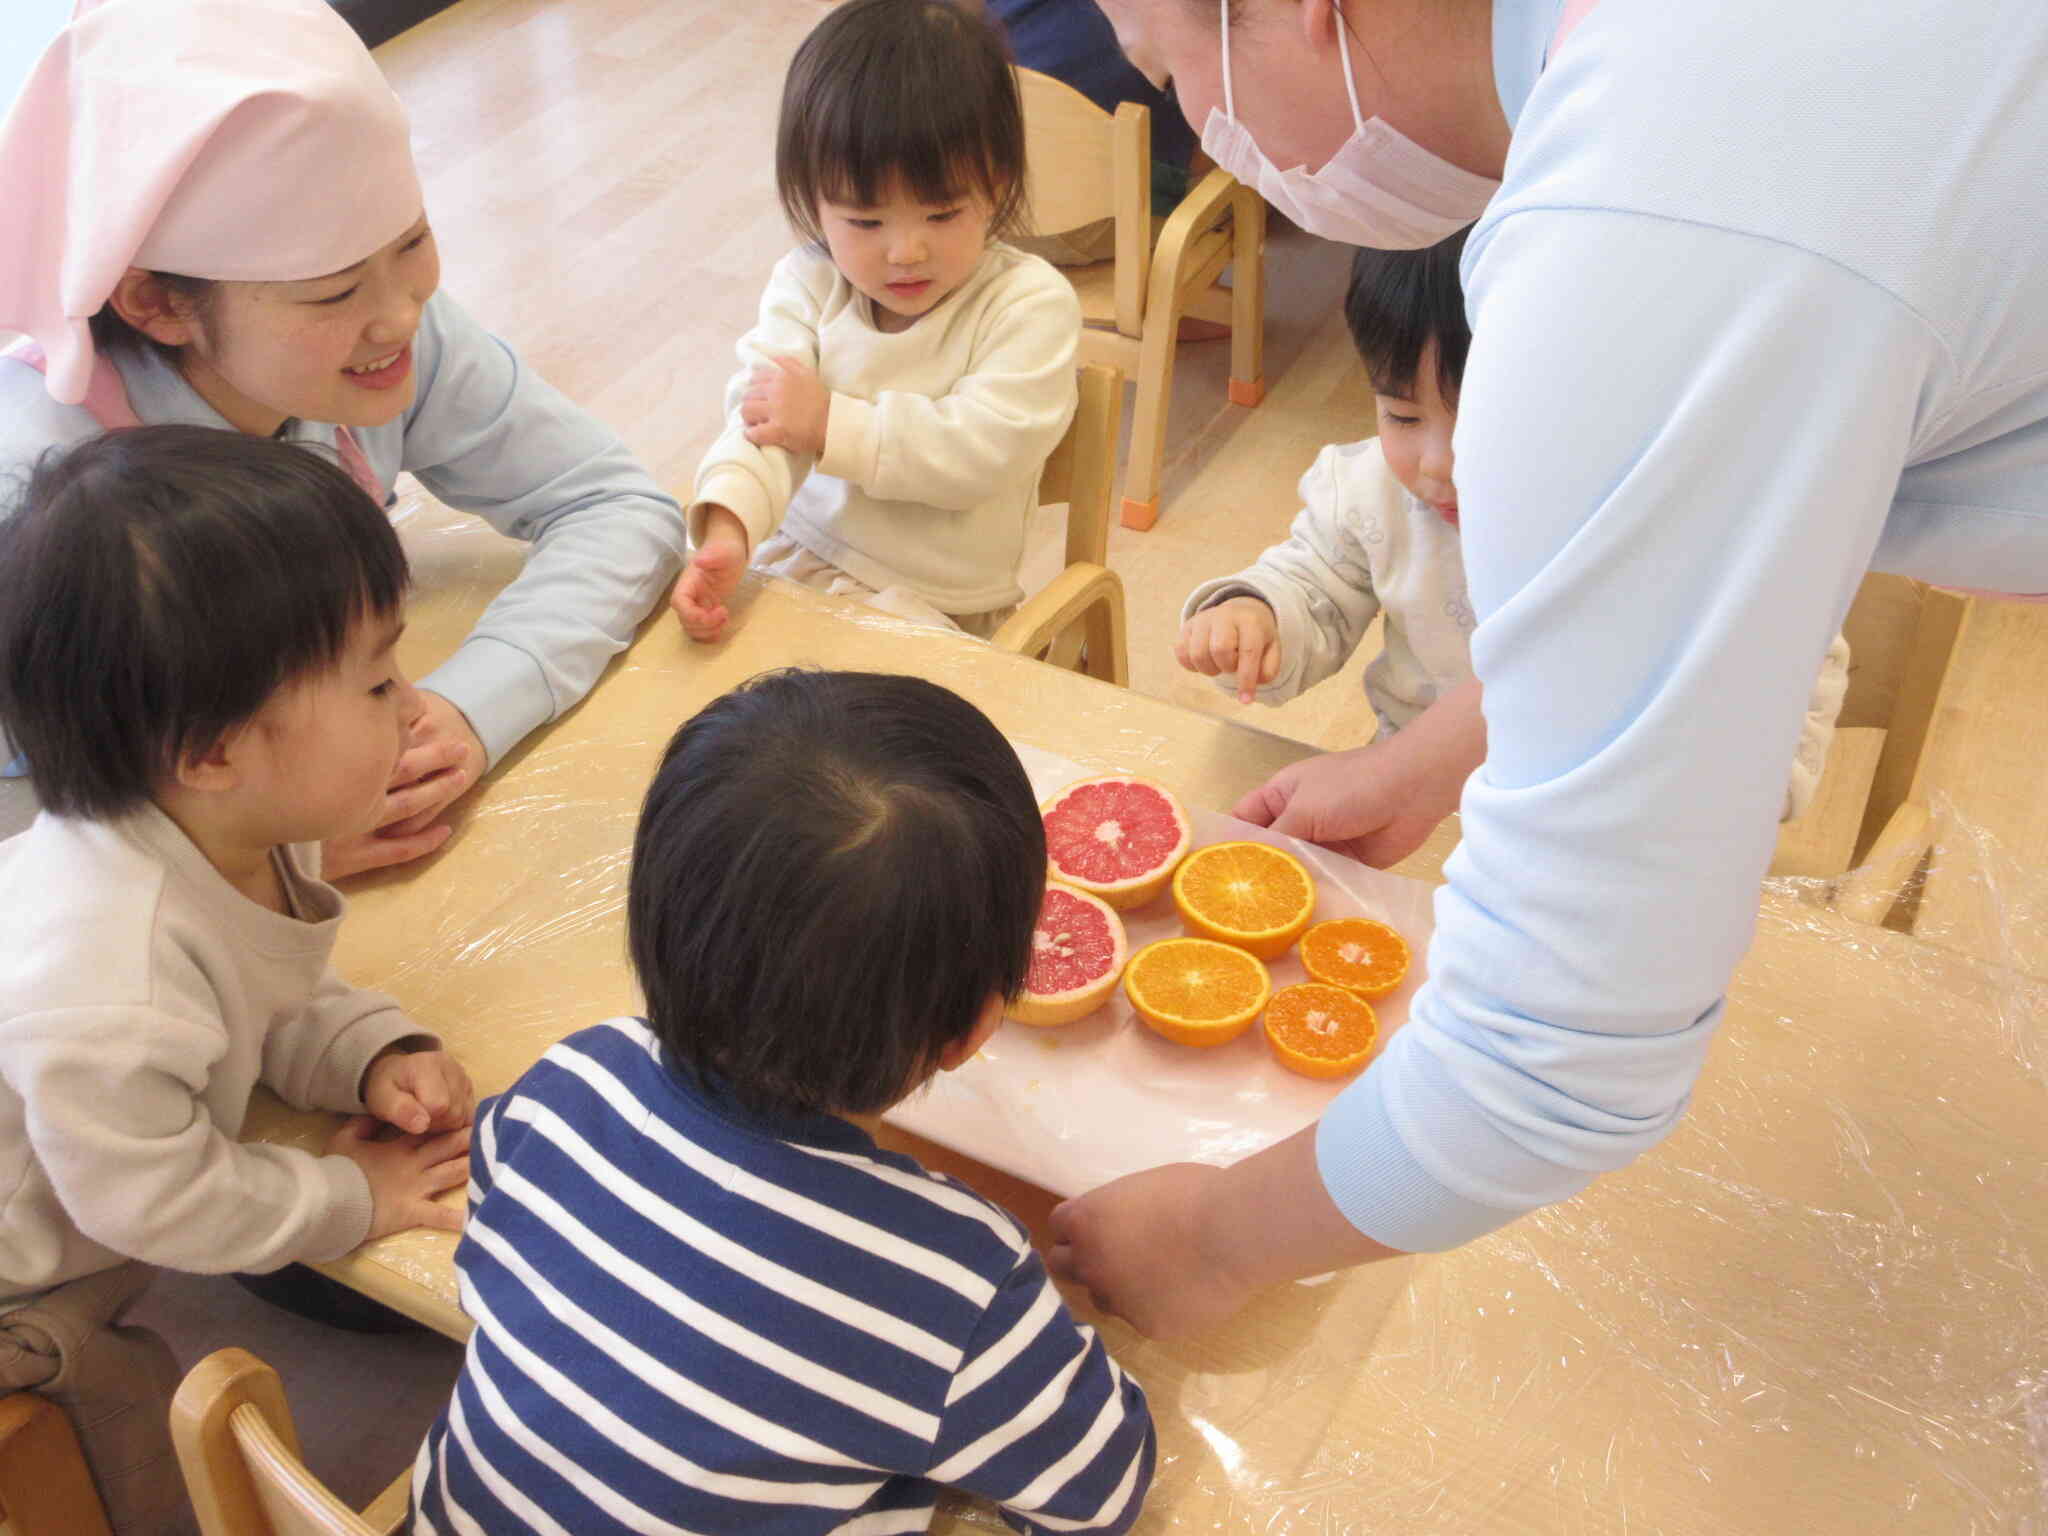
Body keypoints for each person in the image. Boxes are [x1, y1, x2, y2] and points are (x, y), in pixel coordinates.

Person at [1047, 0, 2048, 1338]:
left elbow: (1559, 1060)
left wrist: (1212, 1241)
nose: (1205, 132)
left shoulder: (1660, 223)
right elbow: (1682, 556)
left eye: (1177, 73)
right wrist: (1437, 753)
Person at [411, 669, 1155, 1535]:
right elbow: (1104, 1491)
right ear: (977, 1026)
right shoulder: (958, 1280)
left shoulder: (571, 1081)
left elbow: (505, 1233)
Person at [0, 0, 690, 875]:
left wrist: (474, 705)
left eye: (414, 244)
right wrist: (259, 845)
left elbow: (615, 503)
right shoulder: (33, 490)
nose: (401, 314)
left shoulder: (390, 334)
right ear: (157, 303)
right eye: (331, 293)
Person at [0, 427, 475, 1533]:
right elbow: (153, 1200)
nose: (411, 704)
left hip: (89, 1158)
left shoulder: (239, 824)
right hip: (26, 1273)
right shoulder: (111, 978)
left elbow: (267, 996)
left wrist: (370, 1050)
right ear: (210, 751)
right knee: (127, 1433)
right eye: (372, 682)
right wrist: (352, 1202)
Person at [1178, 234, 1849, 820]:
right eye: (1401, 417)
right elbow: (1315, 585)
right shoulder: (1369, 495)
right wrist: (1255, 614)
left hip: (1615, 829)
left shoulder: (1692, 531)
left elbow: (1779, 741)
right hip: (1408, 800)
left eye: (1487, 423)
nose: (1439, 466)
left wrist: (1715, 778)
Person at [671, 0, 1081, 644]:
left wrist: (829, 423)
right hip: (795, 555)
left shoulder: (1029, 304)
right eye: (865, 222)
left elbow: (980, 454)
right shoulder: (807, 281)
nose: (905, 251)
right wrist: (729, 528)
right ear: (812, 199)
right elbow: (759, 423)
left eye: (942, 214)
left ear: (997, 187)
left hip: (933, 604)